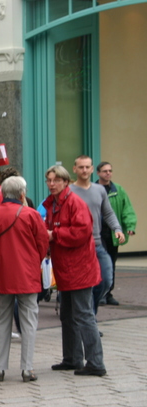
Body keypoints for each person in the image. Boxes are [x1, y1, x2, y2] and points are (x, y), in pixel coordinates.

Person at [0, 176, 49, 383]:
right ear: (22, 194)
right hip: (26, 275)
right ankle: (27, 369)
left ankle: (0, 368)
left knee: (0, 319)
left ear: (2, 194)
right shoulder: (32, 215)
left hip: (0, 274)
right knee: (28, 321)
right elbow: (42, 244)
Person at [43, 165, 106, 377]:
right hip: (67, 269)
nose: (51, 184)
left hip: (79, 269)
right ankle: (72, 358)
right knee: (67, 315)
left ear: (65, 182)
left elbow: (81, 232)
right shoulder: (54, 204)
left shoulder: (74, 203)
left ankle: (95, 362)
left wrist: (54, 235)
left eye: (55, 180)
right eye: (49, 180)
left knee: (84, 315)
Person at [70, 155, 124, 314]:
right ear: (75, 169)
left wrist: (117, 229)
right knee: (82, 285)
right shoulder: (69, 191)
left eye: (87, 167)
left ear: (92, 169)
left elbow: (108, 213)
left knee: (106, 280)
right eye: (81, 167)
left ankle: (89, 314)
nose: (84, 170)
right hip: (78, 247)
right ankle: (87, 319)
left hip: (97, 244)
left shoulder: (99, 190)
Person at [95, 161, 137, 306]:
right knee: (100, 264)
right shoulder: (93, 189)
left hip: (112, 234)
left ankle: (108, 293)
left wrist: (129, 226)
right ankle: (99, 293)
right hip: (96, 234)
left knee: (111, 264)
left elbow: (127, 209)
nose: (108, 173)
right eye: (105, 171)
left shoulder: (118, 190)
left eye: (110, 171)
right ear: (98, 173)